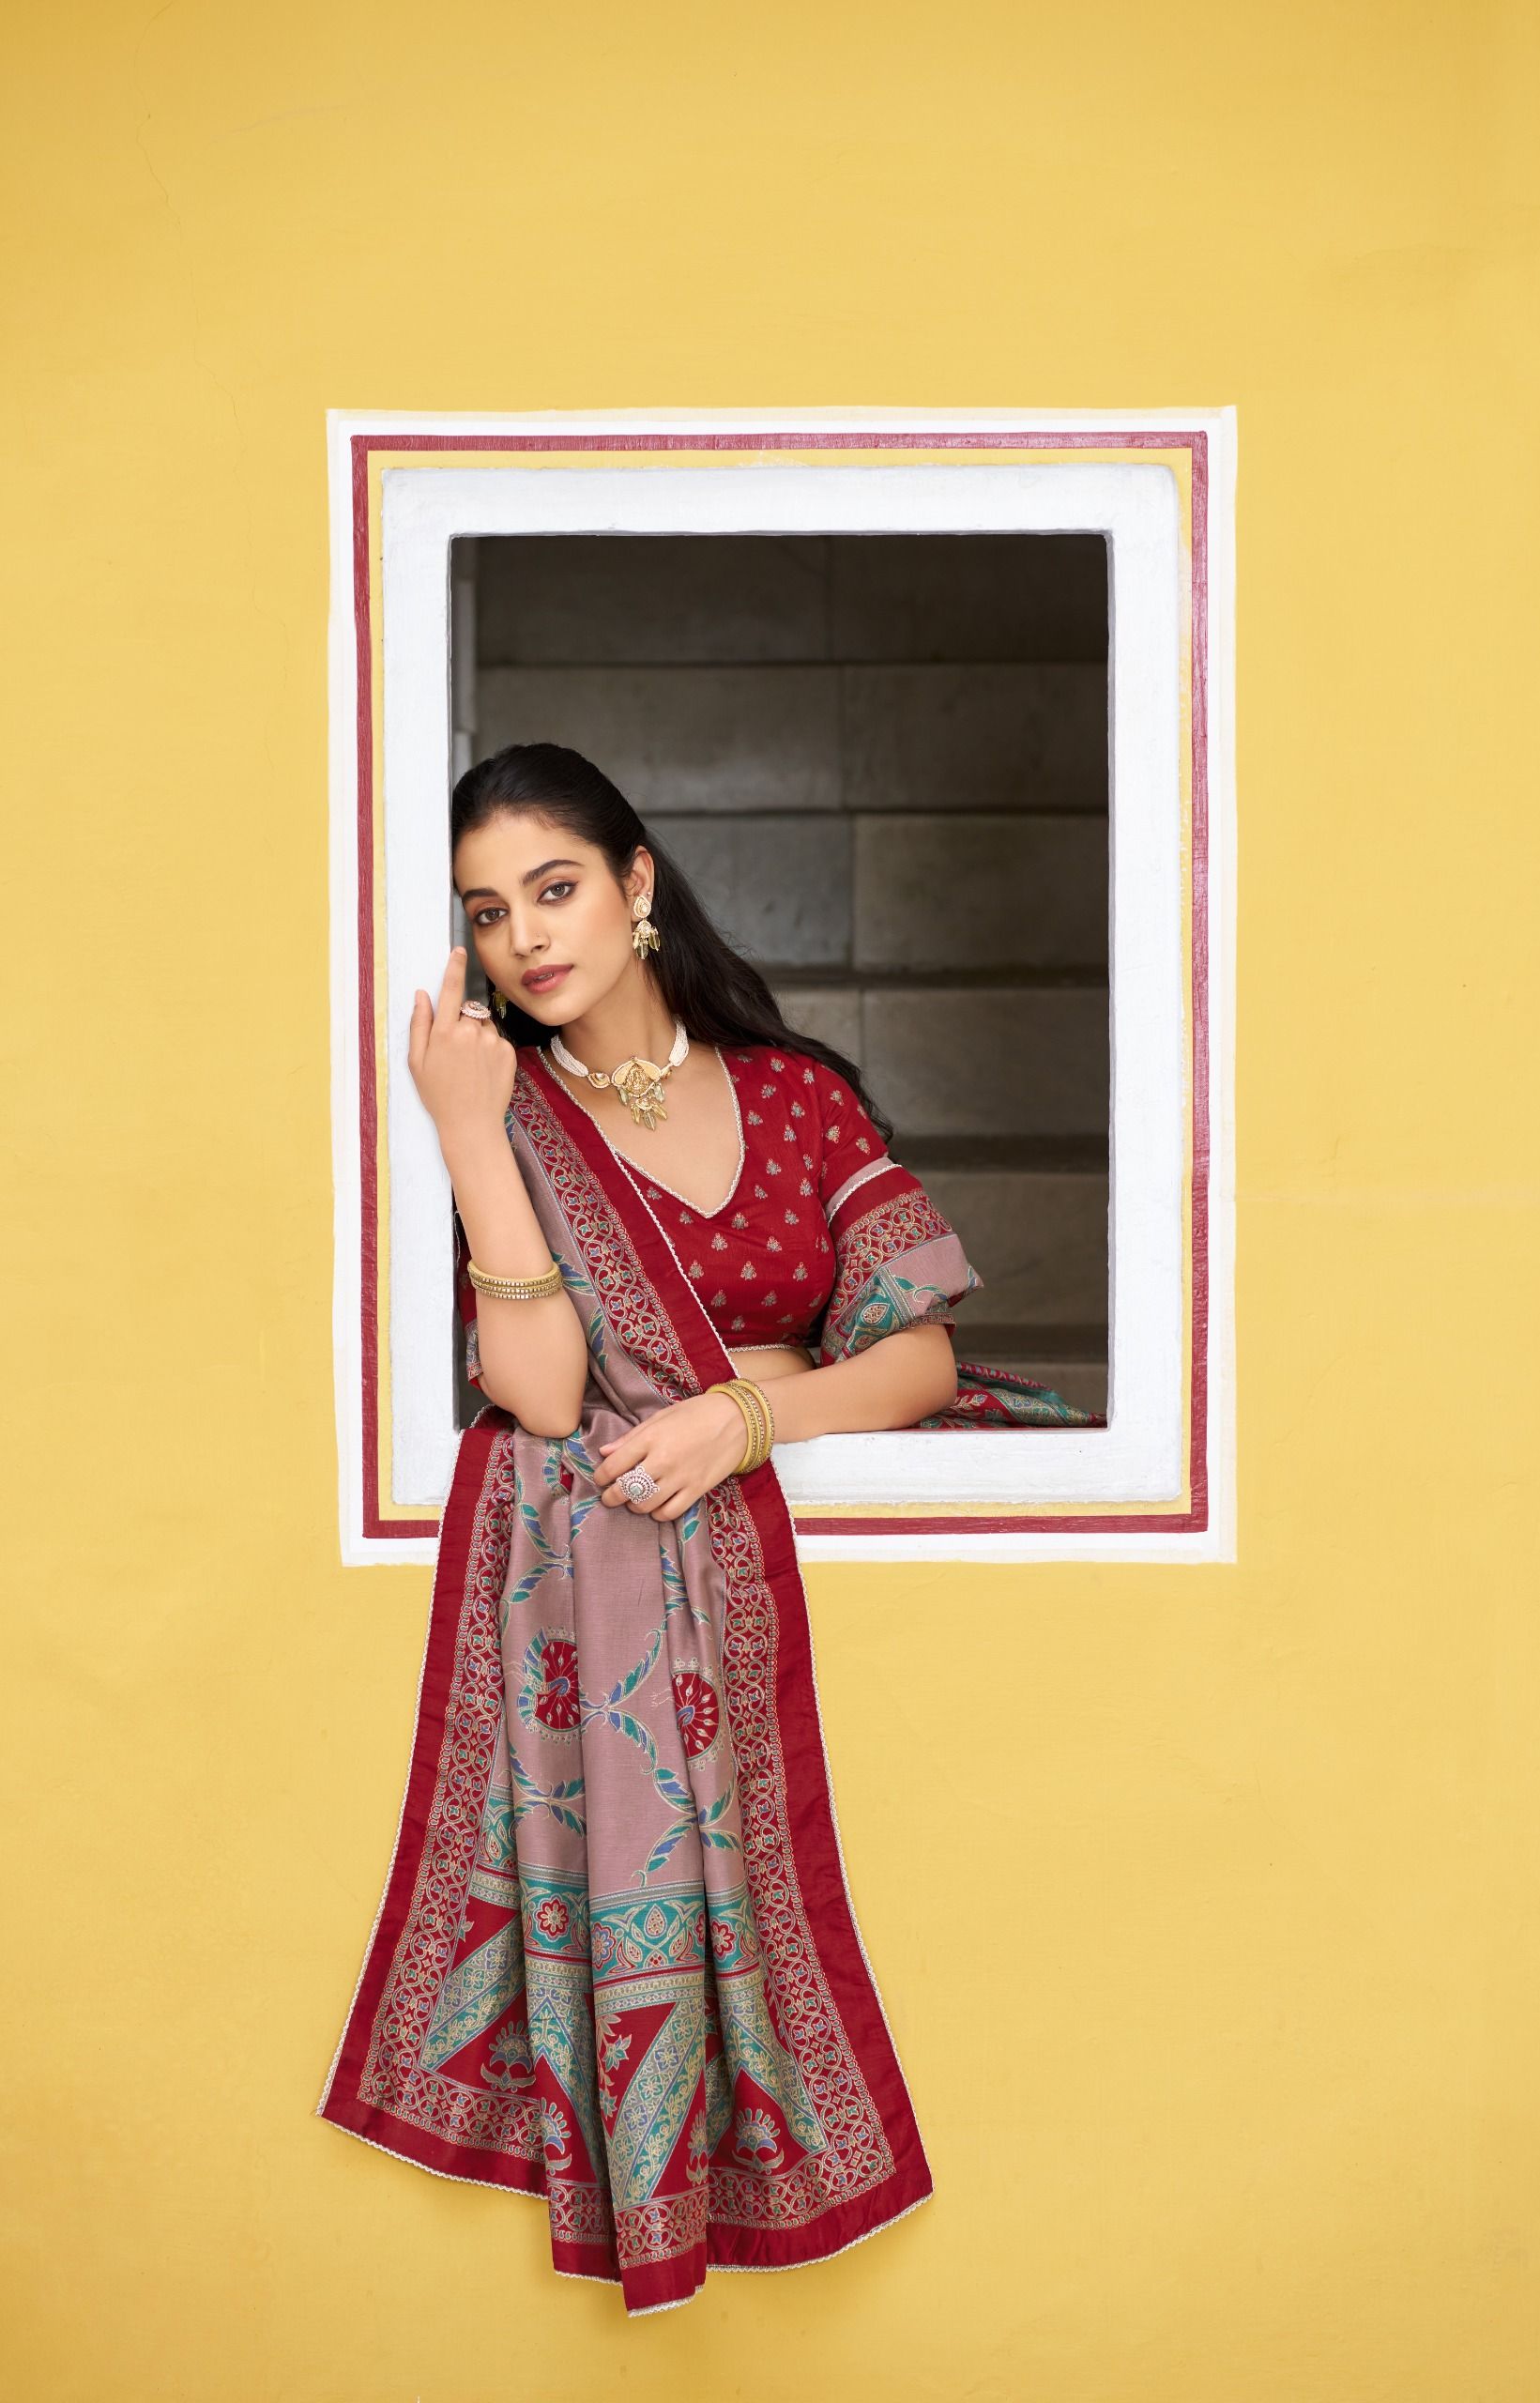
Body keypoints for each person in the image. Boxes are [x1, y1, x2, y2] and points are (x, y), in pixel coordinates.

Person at [315, 743, 1094, 2316]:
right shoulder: (510, 1112)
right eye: (487, 912)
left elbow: (918, 1358)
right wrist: (467, 1133)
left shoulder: (797, 1097)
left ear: (636, 883)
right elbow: (546, 1395)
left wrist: (742, 1417)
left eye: (554, 888)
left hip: (781, 1528)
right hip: (626, 1563)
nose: (525, 936)